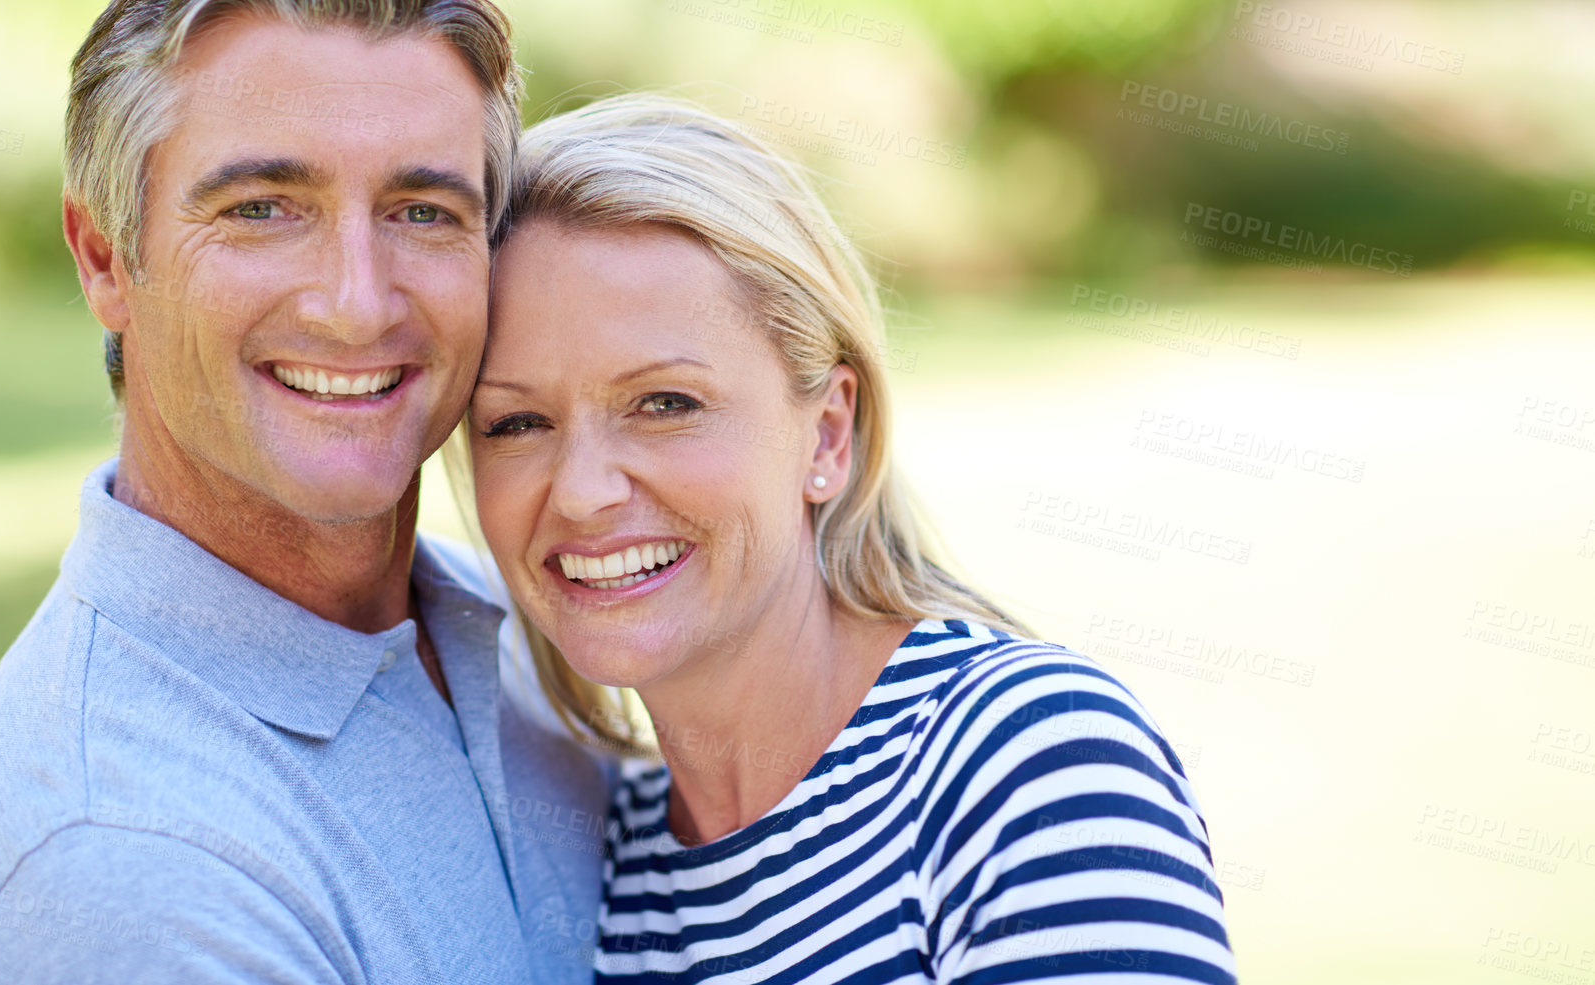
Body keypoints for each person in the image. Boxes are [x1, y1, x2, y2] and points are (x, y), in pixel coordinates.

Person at [0, 0, 609, 984]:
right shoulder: (124, 873)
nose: (358, 305)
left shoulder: (517, 626)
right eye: (264, 206)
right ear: (102, 256)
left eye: (423, 210)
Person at [466, 95, 1240, 983]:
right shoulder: (605, 867)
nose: (582, 490)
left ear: (828, 433)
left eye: (666, 403)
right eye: (517, 422)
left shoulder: (1027, 764)